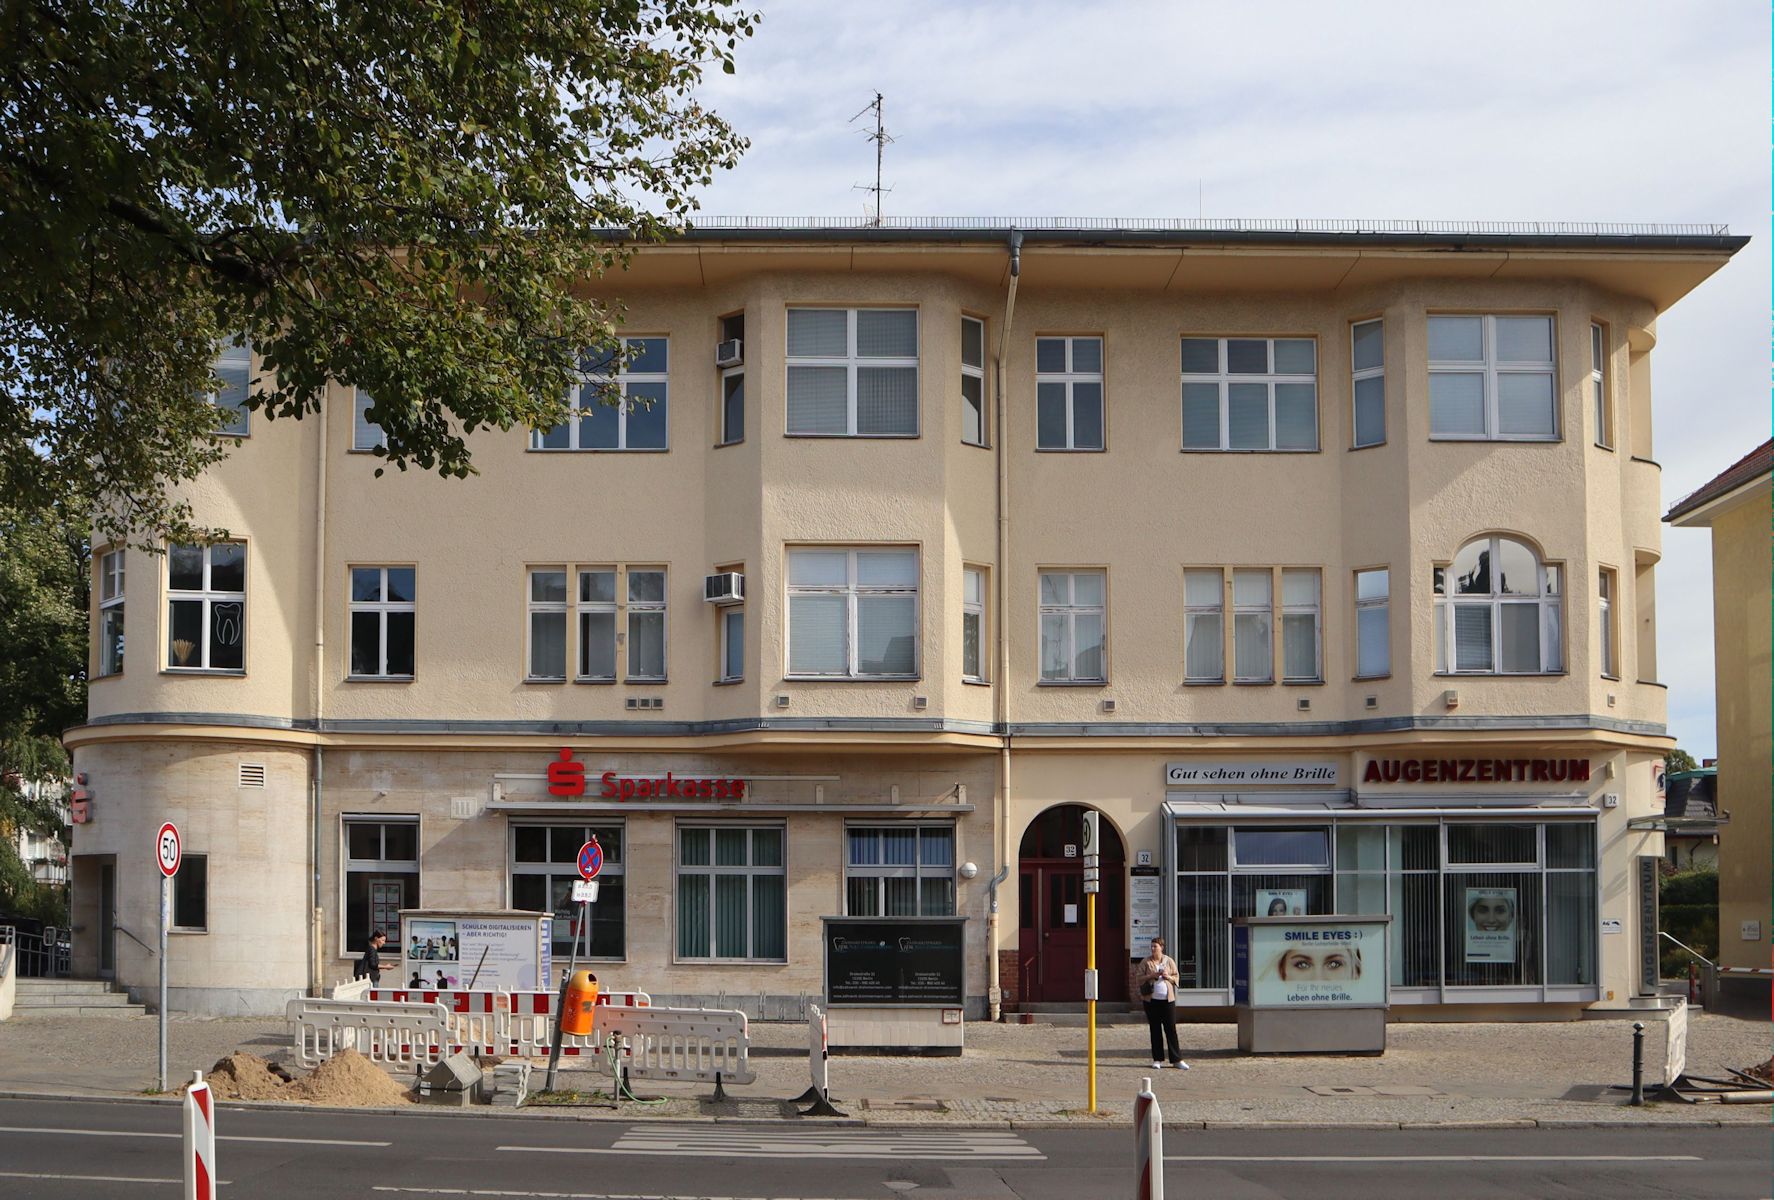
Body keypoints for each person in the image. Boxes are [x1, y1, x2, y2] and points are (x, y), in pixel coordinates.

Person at [1135, 936, 1188, 1070]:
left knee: (1171, 1029)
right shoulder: (1146, 962)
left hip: (1167, 1001)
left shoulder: (1168, 961)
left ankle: (1177, 1059)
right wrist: (1151, 975)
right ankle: (1157, 1059)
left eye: (1155, 947)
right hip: (1151, 1001)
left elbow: (1176, 977)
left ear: (1161, 948)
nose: (1153, 949)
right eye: (1152, 946)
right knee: (1155, 1029)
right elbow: (1138, 978)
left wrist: (1168, 976)